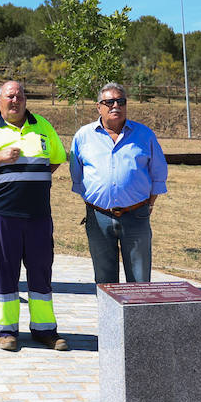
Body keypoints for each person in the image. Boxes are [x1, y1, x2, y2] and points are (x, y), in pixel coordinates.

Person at [0, 80, 69, 352]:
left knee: (41, 271)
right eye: (9, 96)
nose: (15, 101)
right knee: (5, 272)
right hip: (2, 214)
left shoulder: (43, 126)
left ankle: (45, 331)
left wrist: (31, 179)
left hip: (38, 215)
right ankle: (7, 331)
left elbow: (55, 158)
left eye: (19, 96)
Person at [70, 82, 168, 284]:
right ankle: (108, 316)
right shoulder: (83, 136)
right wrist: (94, 201)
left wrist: (149, 204)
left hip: (136, 216)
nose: (116, 105)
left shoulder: (144, 135)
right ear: (99, 107)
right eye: (109, 101)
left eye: (121, 101)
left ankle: (139, 316)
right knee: (105, 281)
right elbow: (77, 175)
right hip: (98, 218)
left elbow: (158, 173)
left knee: (140, 281)